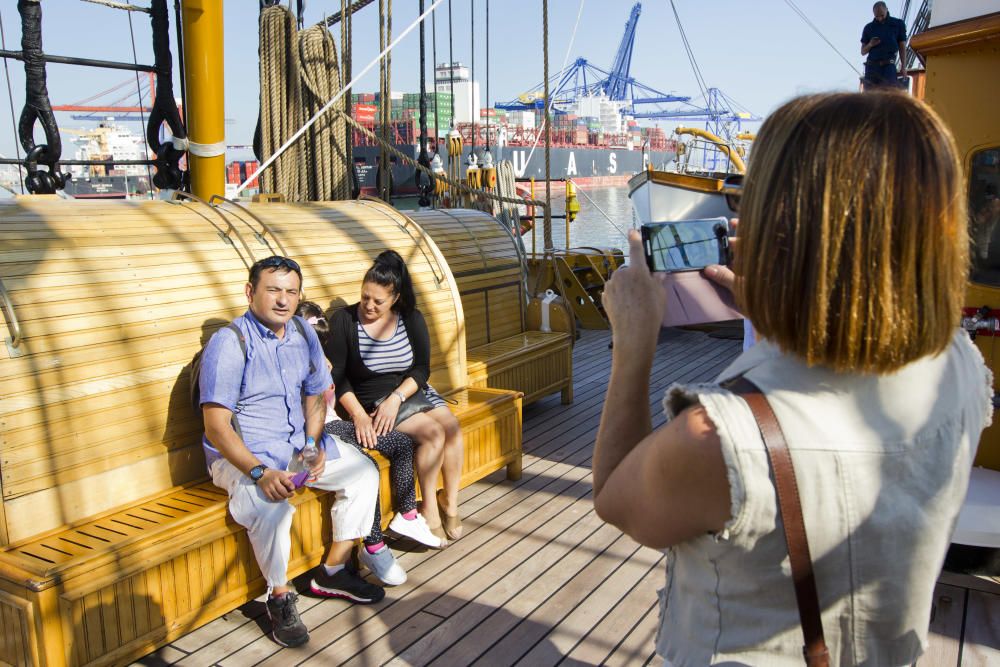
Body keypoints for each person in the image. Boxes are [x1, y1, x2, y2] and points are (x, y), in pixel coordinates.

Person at [593, 92, 992, 665]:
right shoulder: (959, 366)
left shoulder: (721, 438)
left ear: (784, 229)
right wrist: (775, 302)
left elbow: (614, 497)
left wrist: (633, 344)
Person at [199, 256, 390, 649]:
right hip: (241, 457)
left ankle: (333, 570)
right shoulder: (230, 343)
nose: (283, 300)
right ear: (251, 292)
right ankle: (280, 594)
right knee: (272, 507)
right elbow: (216, 428)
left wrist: (313, 445)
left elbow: (316, 395)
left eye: (291, 291)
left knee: (363, 471)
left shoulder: (302, 331)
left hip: (294, 446)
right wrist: (259, 473)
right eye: (273, 290)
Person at [327, 250, 465, 544]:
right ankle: (427, 507)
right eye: (365, 297)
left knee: (452, 427)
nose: (369, 305)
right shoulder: (344, 321)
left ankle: (449, 501)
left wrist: (398, 397)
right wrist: (359, 415)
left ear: (395, 299)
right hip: (372, 398)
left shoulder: (410, 318)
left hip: (408, 392)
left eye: (378, 301)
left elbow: (421, 368)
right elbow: (337, 377)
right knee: (432, 433)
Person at [297, 301, 443, 550]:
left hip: (333, 421)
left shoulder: (322, 361)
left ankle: (407, 515)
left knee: (401, 442)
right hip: (321, 429)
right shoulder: (299, 367)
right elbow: (310, 411)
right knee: (366, 463)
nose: (322, 353)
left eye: (322, 346)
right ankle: (373, 543)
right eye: (314, 345)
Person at [861, 1, 908, 89]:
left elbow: (902, 46)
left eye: (882, 15)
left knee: (889, 95)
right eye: (876, 16)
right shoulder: (868, 28)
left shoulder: (898, 24)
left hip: (888, 67)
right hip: (872, 68)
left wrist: (903, 67)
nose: (879, 18)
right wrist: (870, 44)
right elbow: (863, 51)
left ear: (887, 10)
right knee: (870, 98)